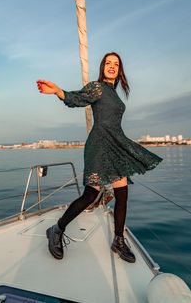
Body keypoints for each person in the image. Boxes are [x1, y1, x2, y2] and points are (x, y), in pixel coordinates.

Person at [36, 52, 163, 263]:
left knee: (122, 195)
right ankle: (56, 229)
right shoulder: (97, 87)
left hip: (116, 144)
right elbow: (78, 98)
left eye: (116, 64)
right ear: (103, 66)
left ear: (119, 69)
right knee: (90, 195)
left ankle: (118, 240)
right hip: (99, 145)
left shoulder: (113, 92)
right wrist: (58, 91)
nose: (112, 66)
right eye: (108, 63)